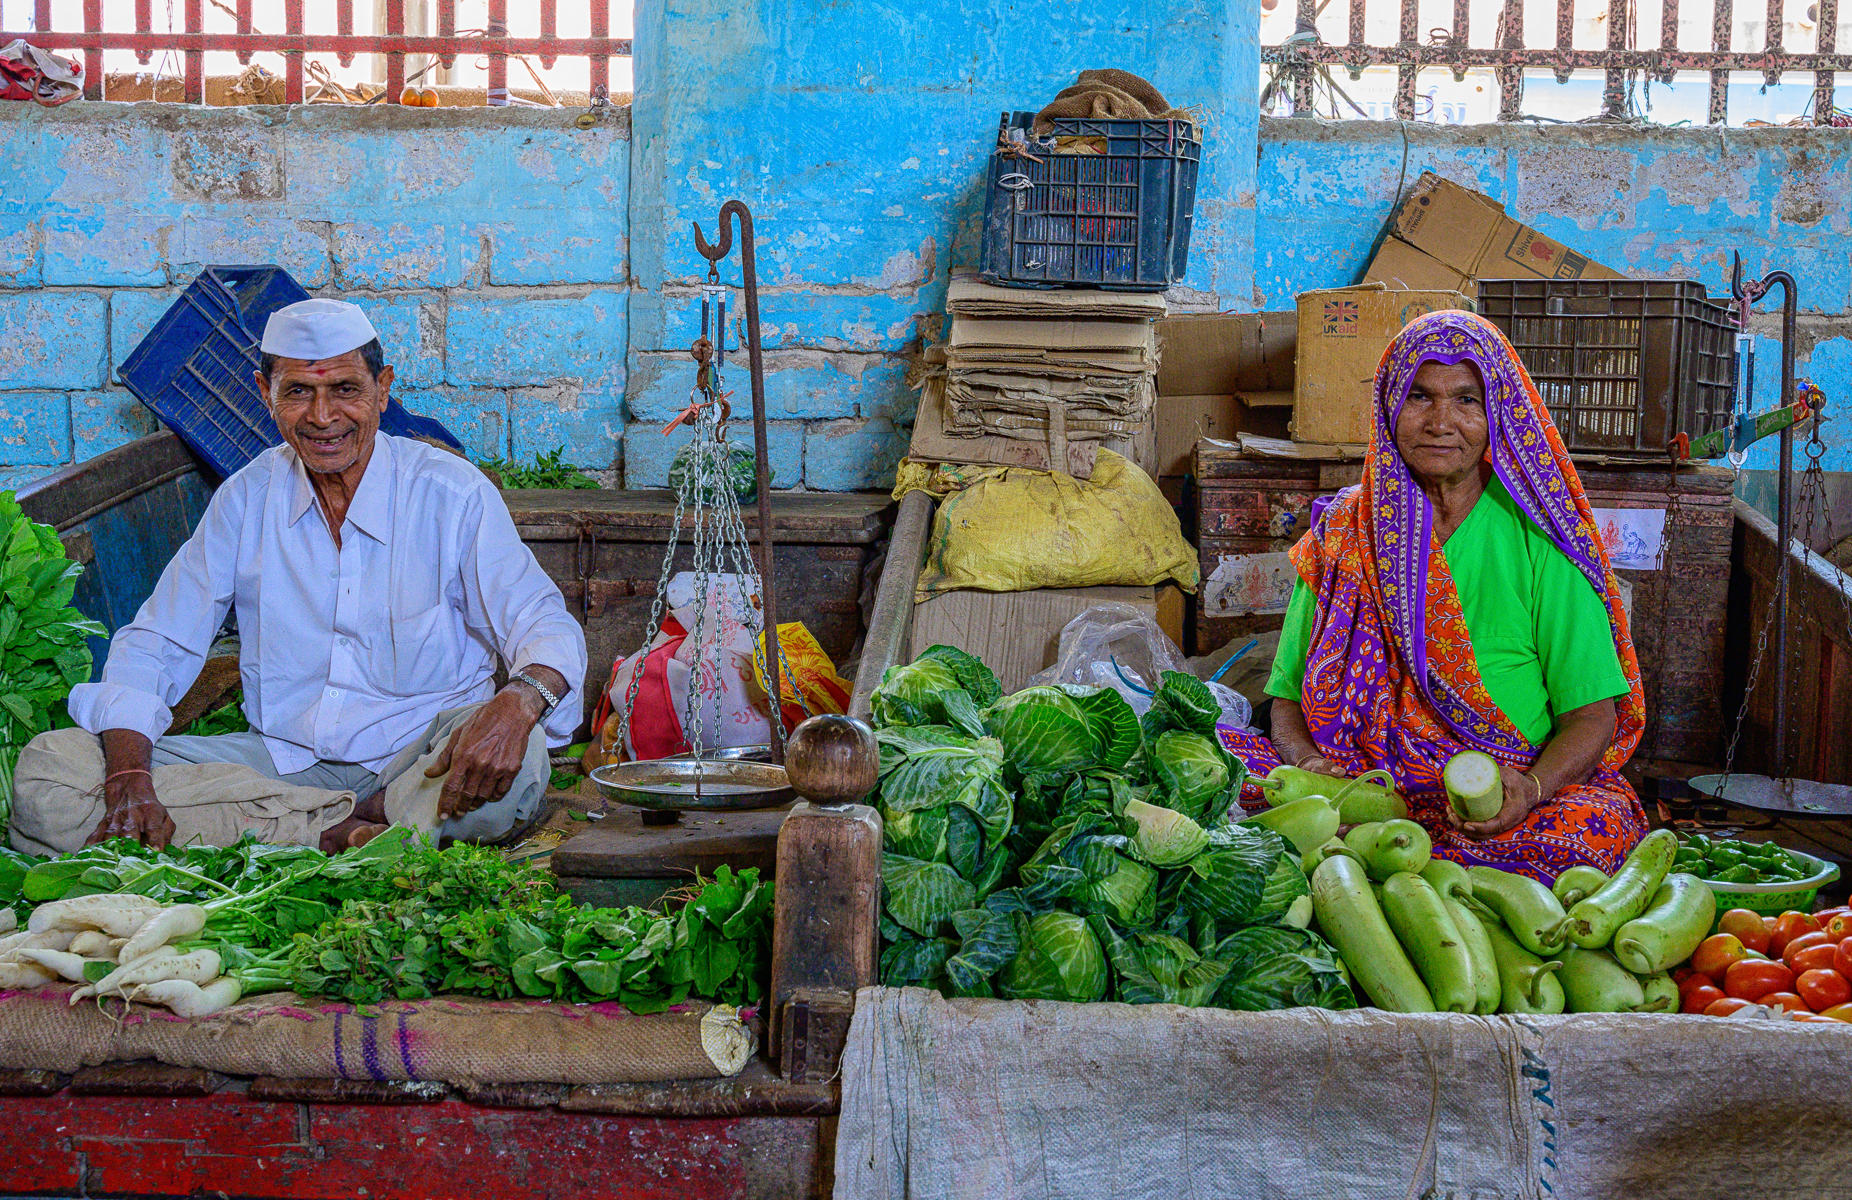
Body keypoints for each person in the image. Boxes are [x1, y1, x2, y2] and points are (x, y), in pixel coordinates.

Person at [9, 299, 587, 856]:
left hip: (421, 760)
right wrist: (131, 775)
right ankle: (345, 832)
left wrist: (517, 701)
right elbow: (158, 643)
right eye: (298, 393)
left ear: (383, 389)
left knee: (518, 766)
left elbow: (542, 623)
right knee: (51, 774)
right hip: (280, 762)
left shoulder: (451, 494)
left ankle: (315, 826)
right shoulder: (247, 499)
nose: (322, 417)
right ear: (266, 396)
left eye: (344, 390)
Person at [1221, 309, 1648, 881]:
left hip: (1499, 789)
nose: (1441, 422)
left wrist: (1531, 788)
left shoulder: (1541, 537)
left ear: (1498, 413)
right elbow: (1287, 698)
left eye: (1467, 400)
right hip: (1353, 785)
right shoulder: (1345, 532)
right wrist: (1307, 765)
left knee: (1590, 830)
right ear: (1390, 404)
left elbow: (1592, 716)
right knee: (1216, 779)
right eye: (1420, 397)